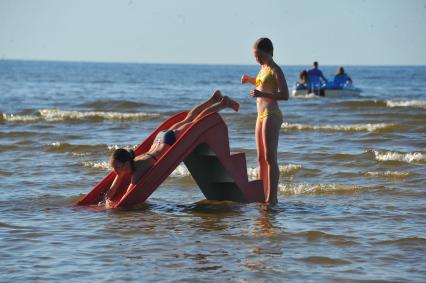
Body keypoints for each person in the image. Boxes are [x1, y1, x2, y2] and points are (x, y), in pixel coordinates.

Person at [106, 90, 239, 202]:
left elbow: (126, 197)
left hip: (168, 140)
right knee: (189, 119)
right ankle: (213, 98)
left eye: (116, 167)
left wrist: (112, 206)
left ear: (125, 164)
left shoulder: (137, 171)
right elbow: (113, 189)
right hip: (161, 138)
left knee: (196, 121)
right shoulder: (131, 162)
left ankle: (223, 103)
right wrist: (105, 200)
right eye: (114, 168)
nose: (115, 171)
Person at [241, 37, 289, 205]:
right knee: (261, 158)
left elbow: (285, 95)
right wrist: (250, 80)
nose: (258, 59)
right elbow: (262, 84)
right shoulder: (262, 68)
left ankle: (272, 197)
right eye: (255, 57)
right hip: (259, 115)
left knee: (270, 157)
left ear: (270, 52)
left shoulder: (276, 69)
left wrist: (262, 95)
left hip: (271, 113)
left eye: (260, 56)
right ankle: (262, 195)